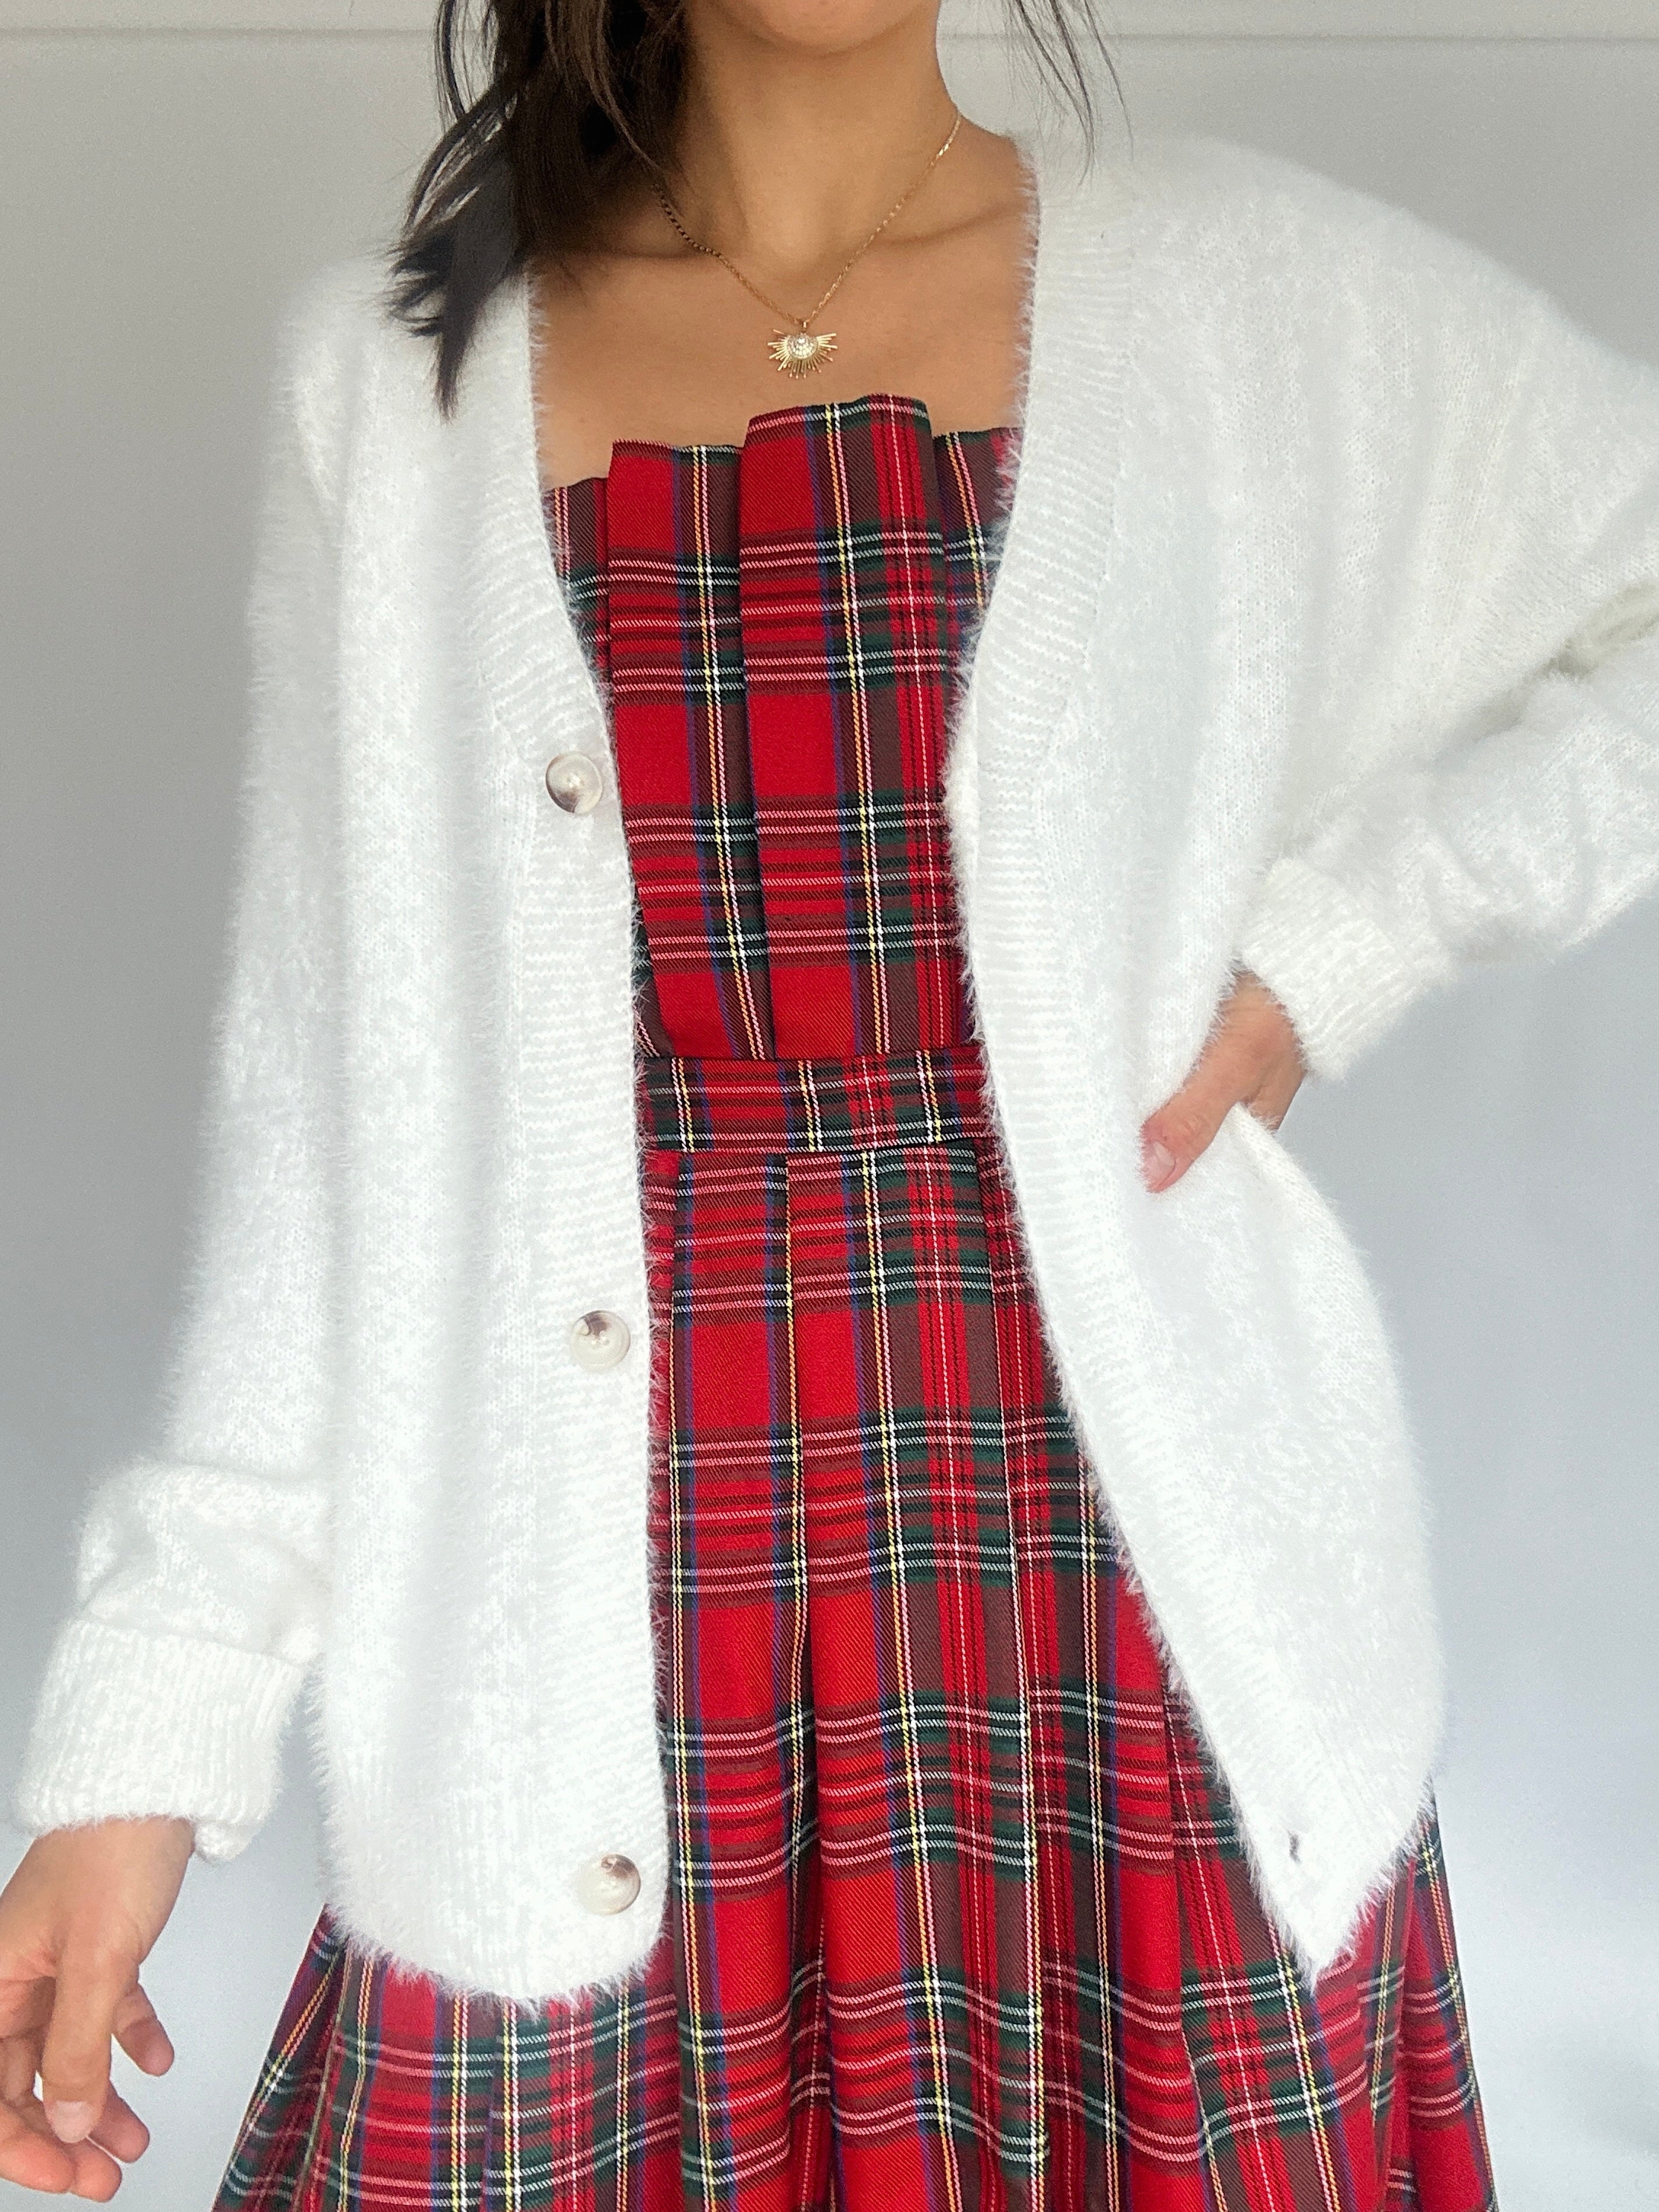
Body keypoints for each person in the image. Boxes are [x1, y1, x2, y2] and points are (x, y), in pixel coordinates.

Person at [6, 0, 1659, 2195]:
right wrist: (146, 1729)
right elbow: (329, 1123)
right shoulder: (397, 387)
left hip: (1116, 1638)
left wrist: (1341, 945)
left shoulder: (1243, 297)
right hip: (596, 1626)